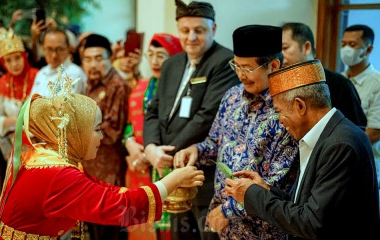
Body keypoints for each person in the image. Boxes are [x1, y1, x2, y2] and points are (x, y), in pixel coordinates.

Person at [0, 75, 205, 239]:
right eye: (97, 129)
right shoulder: (58, 173)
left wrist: (164, 192)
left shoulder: (49, 155)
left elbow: (102, 190)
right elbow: (119, 208)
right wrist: (173, 180)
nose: (101, 136)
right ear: (72, 133)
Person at [225, 59, 380, 239]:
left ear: (300, 106)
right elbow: (306, 205)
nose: (280, 121)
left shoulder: (340, 145)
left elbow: (312, 223)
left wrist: (250, 195)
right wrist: (266, 189)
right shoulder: (328, 135)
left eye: (280, 111)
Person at [174, 25, 299, 239]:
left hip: (263, 229)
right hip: (225, 226)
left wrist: (228, 210)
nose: (241, 75)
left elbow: (279, 183)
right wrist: (196, 150)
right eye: (236, 66)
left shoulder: (289, 108)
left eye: (248, 68)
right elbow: (215, 142)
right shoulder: (232, 96)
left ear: (274, 65)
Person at [143, 1, 239, 239]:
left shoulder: (224, 62)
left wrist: (168, 152)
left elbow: (206, 116)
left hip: (205, 176)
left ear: (213, 29)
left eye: (200, 30)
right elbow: (153, 110)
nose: (192, 37)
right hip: (174, 171)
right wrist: (151, 148)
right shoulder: (171, 64)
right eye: (185, 31)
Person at [124, 33, 183, 240]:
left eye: (161, 55)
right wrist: (130, 143)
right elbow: (129, 125)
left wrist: (152, 153)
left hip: (167, 165)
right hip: (139, 167)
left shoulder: (181, 88)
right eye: (150, 55)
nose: (155, 61)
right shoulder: (140, 87)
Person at [81, 33, 132, 240]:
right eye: (88, 59)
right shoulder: (88, 85)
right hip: (90, 171)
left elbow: (111, 131)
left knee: (108, 230)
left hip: (109, 174)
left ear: (110, 59)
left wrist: (76, 131)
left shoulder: (117, 86)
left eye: (99, 58)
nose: (93, 64)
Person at [0, 27, 38, 213]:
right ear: (3, 62)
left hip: (39, 144)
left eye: (17, 58)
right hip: (14, 147)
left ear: (24, 56)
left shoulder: (38, 77)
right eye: (8, 60)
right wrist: (11, 121)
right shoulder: (0, 84)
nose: (14, 64)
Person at [281, 22, 366, 129]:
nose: (280, 55)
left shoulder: (338, 83)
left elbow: (355, 129)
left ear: (306, 47)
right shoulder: (282, 83)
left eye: (284, 48)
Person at [340, 24, 380, 197]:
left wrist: (339, 149)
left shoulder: (377, 83)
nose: (346, 49)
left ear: (368, 49)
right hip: (337, 164)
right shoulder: (338, 80)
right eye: (343, 44)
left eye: (353, 44)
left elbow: (375, 132)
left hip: (364, 163)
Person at [31, 28, 87, 96]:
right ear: (43, 49)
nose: (54, 55)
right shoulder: (41, 73)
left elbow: (65, 105)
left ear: (68, 48)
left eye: (59, 49)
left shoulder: (75, 73)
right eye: (49, 49)